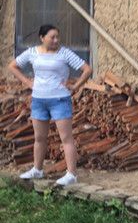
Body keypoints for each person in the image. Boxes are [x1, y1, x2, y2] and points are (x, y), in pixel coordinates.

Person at [8, 24, 92, 186]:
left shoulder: (64, 53)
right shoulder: (32, 52)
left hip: (60, 100)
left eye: (57, 37)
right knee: (39, 138)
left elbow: (87, 69)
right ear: (42, 38)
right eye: (52, 37)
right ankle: (37, 169)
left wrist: (75, 86)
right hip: (38, 100)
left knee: (66, 138)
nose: (56, 40)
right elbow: (13, 66)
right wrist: (27, 82)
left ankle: (71, 174)